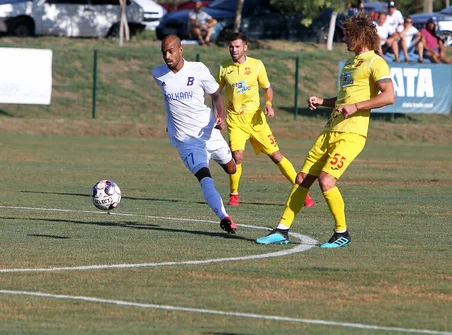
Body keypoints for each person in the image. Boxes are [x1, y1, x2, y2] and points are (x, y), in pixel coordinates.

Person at [256, 12, 395, 248]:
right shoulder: (350, 64)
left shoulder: (375, 62)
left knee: (326, 180)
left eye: (347, 35)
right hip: (330, 130)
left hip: (352, 134)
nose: (344, 40)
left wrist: (357, 106)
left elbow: (389, 96)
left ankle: (342, 233)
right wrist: (323, 101)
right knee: (301, 179)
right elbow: (345, 100)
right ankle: (281, 230)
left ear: (360, 35)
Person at [217, 32, 314, 208]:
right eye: (231, 46)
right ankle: (234, 195)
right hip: (235, 120)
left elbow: (267, 88)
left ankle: (302, 192)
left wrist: (268, 103)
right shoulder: (224, 68)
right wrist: (219, 114)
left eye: (238, 46)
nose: (234, 50)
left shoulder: (257, 65)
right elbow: (216, 93)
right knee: (237, 157)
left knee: (276, 156)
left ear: (245, 47)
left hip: (256, 120)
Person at [153, 35, 238, 233]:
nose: (167, 56)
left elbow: (216, 95)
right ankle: (224, 216)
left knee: (232, 169)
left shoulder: (198, 70)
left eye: (171, 51)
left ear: (181, 50)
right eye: (164, 52)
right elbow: (171, 105)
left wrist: (221, 116)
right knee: (205, 178)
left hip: (209, 132)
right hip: (186, 142)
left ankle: (230, 156)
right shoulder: (158, 74)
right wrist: (171, 122)